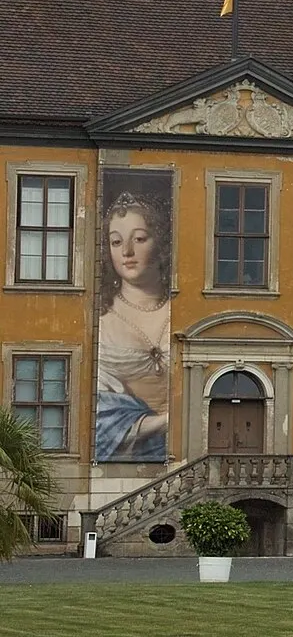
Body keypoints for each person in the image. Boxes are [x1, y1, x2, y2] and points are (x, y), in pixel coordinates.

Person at [96, 190, 172, 463]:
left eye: (139, 239)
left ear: (161, 242)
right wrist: (167, 421)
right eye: (116, 242)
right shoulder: (102, 321)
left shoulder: (185, 310)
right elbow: (100, 419)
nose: (127, 251)